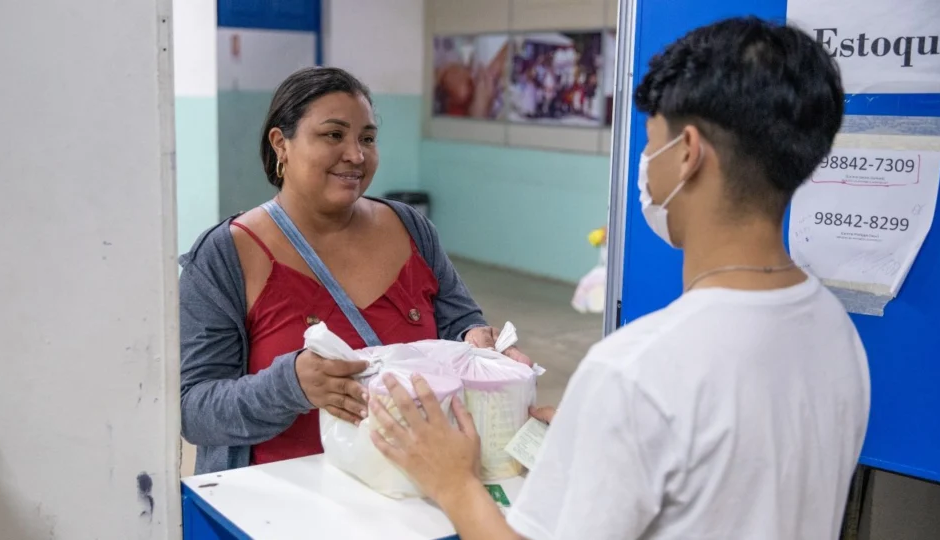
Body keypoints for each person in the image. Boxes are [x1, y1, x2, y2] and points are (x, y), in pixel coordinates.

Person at [368, 17, 870, 540]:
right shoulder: (833, 328)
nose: (646, 164)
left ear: (688, 152)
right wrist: (597, 441)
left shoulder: (636, 369)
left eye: (651, 143)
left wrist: (453, 482)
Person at [179, 67, 530, 475]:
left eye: (367, 138)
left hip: (411, 490)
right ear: (281, 144)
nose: (356, 155)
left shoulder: (410, 229)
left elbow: (460, 323)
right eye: (333, 135)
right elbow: (194, 410)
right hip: (280, 500)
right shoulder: (226, 255)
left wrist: (476, 342)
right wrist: (290, 386)